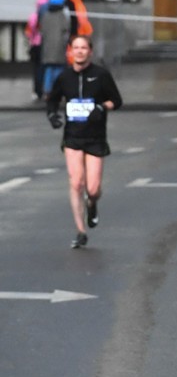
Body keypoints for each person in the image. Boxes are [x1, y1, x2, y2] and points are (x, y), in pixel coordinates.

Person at [46, 33, 122, 249]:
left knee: (93, 188)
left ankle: (92, 204)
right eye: (75, 48)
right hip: (73, 137)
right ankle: (81, 231)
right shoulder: (64, 77)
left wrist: (102, 107)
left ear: (90, 51)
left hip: (96, 137)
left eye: (83, 48)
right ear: (70, 51)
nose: (79, 51)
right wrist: (52, 116)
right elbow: (52, 101)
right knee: (76, 182)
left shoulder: (101, 75)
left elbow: (117, 100)